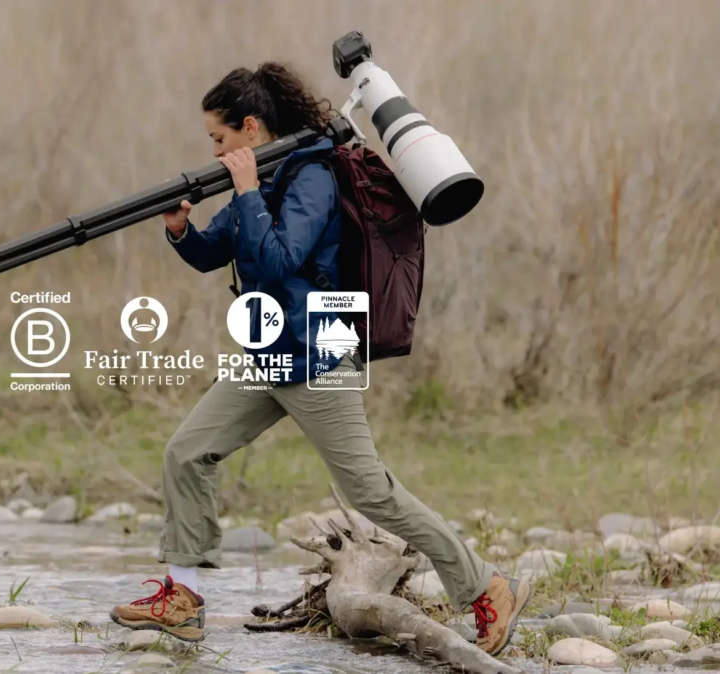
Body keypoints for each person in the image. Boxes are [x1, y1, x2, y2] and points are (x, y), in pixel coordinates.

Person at [108, 62, 532, 657]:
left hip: (319, 351)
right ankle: (184, 598)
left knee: (371, 493)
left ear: (250, 128)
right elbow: (218, 253)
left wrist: (249, 190)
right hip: (267, 350)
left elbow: (279, 259)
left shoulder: (309, 177)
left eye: (219, 139)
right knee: (186, 450)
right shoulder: (262, 179)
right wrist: (182, 231)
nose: (213, 149)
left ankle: (484, 584)